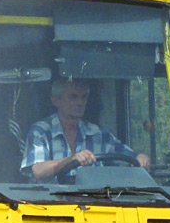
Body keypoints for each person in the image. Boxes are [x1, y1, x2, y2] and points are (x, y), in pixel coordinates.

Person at [22, 78, 150, 181]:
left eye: (83, 97)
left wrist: (140, 158)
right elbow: (38, 170)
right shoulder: (40, 131)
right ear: (56, 100)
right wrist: (71, 160)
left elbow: (128, 158)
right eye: (74, 97)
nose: (80, 102)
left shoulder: (99, 134)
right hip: (50, 208)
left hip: (94, 207)